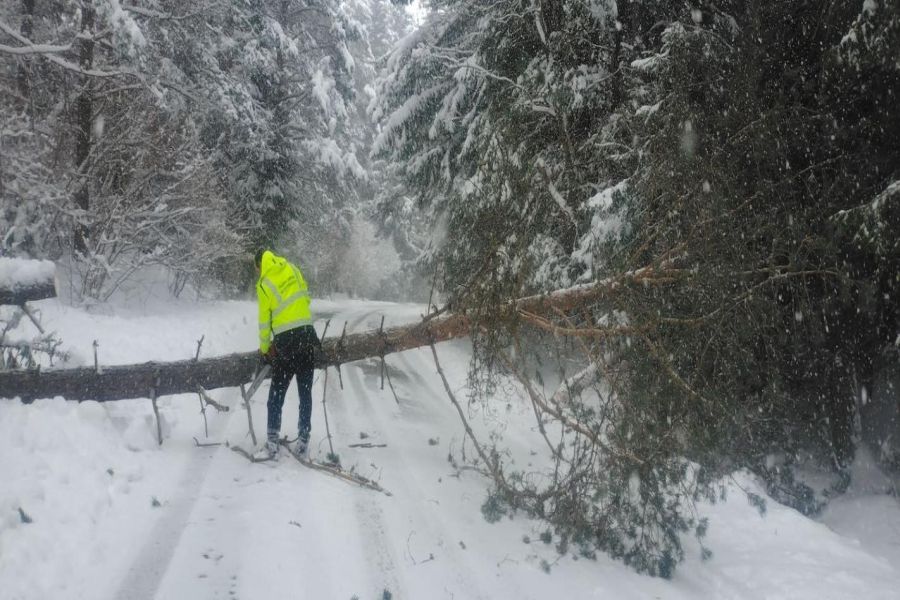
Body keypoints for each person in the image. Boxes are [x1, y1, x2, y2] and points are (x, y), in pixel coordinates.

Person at [253, 249, 320, 460]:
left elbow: (264, 321)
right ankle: (303, 443)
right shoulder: (292, 268)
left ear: (260, 266)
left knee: (276, 395)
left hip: (286, 343)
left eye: (256, 269)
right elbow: (305, 296)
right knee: (305, 394)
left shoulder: (264, 283)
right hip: (308, 337)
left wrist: (265, 349)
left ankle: (272, 443)